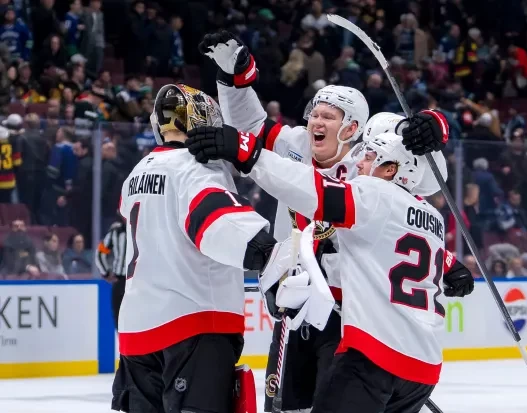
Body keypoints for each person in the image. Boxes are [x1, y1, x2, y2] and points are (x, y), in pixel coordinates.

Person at [198, 30, 449, 413]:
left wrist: (432, 129)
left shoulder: (369, 168)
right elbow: (249, 130)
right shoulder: (297, 145)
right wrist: (234, 79)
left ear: (351, 128)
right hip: (292, 305)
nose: (316, 121)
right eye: (314, 113)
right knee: (284, 407)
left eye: (328, 116)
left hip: (345, 315)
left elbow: (425, 186)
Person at [186, 118, 474, 413]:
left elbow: (311, 189)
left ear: (391, 169)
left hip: (374, 355)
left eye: (370, 156)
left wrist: (250, 154)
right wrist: (450, 264)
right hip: (423, 368)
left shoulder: (374, 196)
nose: (360, 163)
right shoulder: (432, 218)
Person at [111, 83, 297, 413]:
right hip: (193, 323)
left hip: (136, 329)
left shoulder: (138, 172)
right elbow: (218, 223)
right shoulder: (195, 168)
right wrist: (272, 256)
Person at [96, 217, 127, 329]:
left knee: (121, 323)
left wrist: (106, 273)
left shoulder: (116, 231)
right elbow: (100, 253)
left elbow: (100, 254)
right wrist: (106, 273)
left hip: (121, 281)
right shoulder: (145, 228)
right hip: (138, 281)